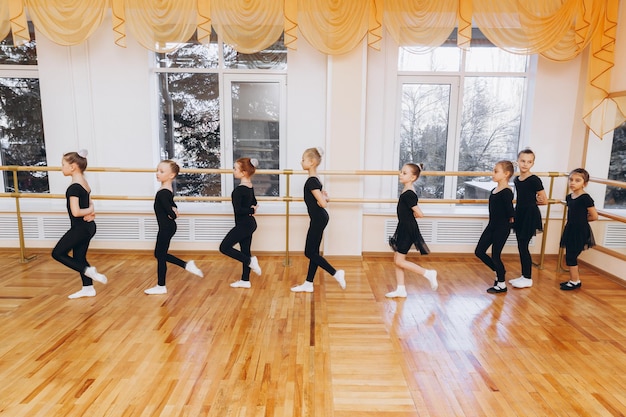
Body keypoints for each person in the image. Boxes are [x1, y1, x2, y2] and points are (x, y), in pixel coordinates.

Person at [52, 150, 108, 299]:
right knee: (79, 256)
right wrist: (91, 210)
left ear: (73, 167)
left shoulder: (73, 188)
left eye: (63, 164)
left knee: (57, 253)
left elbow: (76, 212)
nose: (61, 168)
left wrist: (90, 210)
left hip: (80, 228)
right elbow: (89, 203)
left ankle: (87, 271)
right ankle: (88, 288)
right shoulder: (84, 183)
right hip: (88, 227)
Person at [144, 160, 204, 295]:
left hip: (166, 227)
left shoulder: (163, 192)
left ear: (171, 175)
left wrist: (173, 213)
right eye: (157, 170)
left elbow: (171, 211)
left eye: (161, 171)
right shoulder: (167, 190)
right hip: (168, 227)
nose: (157, 173)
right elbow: (172, 206)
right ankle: (185, 266)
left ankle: (162, 285)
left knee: (160, 255)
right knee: (159, 254)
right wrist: (174, 211)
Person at [291, 147, 346, 293]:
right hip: (319, 218)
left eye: (303, 159)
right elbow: (324, 199)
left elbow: (323, 203)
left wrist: (323, 199)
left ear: (312, 162)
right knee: (313, 251)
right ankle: (308, 283)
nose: (301, 162)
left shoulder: (312, 182)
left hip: (319, 218)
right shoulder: (315, 180)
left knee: (309, 252)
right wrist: (324, 197)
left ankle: (336, 273)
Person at [385, 163, 438, 298]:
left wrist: (409, 217)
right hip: (403, 227)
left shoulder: (409, 194)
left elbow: (420, 214)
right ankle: (401, 289)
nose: (400, 175)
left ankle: (428, 273)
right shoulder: (407, 190)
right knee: (397, 258)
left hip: (407, 229)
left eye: (404, 173)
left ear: (413, 177)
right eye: (401, 172)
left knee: (399, 260)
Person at [219, 157, 262, 289]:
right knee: (245, 250)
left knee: (224, 247)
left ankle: (250, 261)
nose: (233, 171)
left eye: (235, 169)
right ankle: (245, 280)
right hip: (250, 224)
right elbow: (254, 202)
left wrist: (250, 209)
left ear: (243, 173)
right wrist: (253, 208)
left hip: (244, 224)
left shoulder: (238, 191)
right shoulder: (250, 187)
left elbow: (238, 210)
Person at [474, 160, 515, 294]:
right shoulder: (494, 190)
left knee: (496, 255)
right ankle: (500, 271)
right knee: (479, 251)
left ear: (506, 174)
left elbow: (510, 212)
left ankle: (501, 284)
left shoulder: (507, 192)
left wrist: (511, 224)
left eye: (496, 171)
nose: (493, 173)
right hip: (492, 226)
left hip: (502, 228)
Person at [509, 149, 548, 289]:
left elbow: (544, 200)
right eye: (523, 161)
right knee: (521, 245)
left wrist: (532, 203)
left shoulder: (534, 180)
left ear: (533, 163)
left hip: (529, 215)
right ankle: (524, 275)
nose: (525, 164)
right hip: (519, 213)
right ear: (518, 161)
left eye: (529, 162)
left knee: (523, 246)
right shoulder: (517, 179)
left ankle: (528, 278)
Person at [559, 168, 598, 290]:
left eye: (577, 180)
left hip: (580, 231)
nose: (573, 183)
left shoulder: (585, 198)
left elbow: (594, 216)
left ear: (584, 183)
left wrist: (582, 221)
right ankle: (573, 279)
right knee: (569, 255)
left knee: (571, 256)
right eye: (571, 180)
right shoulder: (569, 197)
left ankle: (575, 281)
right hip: (570, 229)